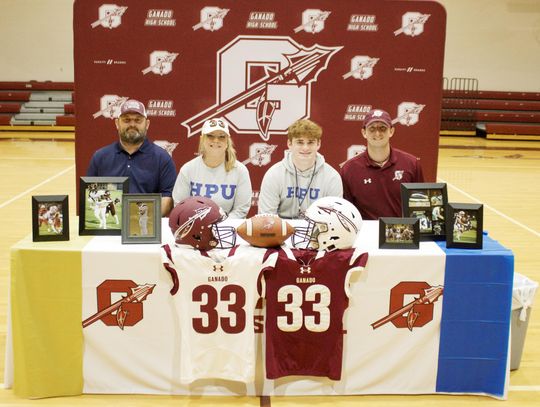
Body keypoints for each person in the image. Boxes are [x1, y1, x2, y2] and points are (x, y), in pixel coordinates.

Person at [87, 99, 176, 216]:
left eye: (138, 120)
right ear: (117, 124)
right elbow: (90, 192)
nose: (132, 124)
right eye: (126, 120)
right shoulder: (100, 157)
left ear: (147, 124)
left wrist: (145, 219)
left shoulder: (163, 158)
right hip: (110, 225)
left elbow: (167, 198)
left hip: (147, 226)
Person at [340, 108, 424, 220]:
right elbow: (347, 211)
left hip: (401, 233)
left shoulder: (411, 164)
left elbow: (420, 204)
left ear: (391, 131)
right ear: (364, 132)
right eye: (372, 129)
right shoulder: (349, 169)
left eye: (383, 128)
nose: (377, 133)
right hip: (365, 234)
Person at [258, 119, 343, 219]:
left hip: (318, 231)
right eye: (300, 142)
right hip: (282, 231)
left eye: (310, 142)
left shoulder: (331, 177)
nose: (305, 148)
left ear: (318, 144)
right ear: (289, 144)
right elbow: (266, 218)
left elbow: (334, 219)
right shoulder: (274, 174)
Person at [172, 118, 252, 219]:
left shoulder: (240, 171)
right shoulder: (188, 169)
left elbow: (241, 210)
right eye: (210, 136)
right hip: (194, 230)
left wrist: (220, 226)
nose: (216, 140)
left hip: (228, 230)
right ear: (202, 139)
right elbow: (180, 207)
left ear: (227, 141)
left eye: (222, 137)